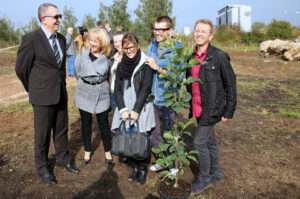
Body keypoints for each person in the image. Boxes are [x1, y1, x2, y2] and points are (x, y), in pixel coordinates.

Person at [15, 3, 80, 185]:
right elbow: (21, 69)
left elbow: (59, 67)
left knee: (61, 130)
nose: (60, 20)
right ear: (44, 19)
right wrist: (34, 88)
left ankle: (63, 159)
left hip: (60, 93)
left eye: (60, 16)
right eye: (56, 17)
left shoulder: (60, 39)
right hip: (42, 96)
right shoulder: (31, 39)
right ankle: (43, 167)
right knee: (42, 134)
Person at [186, 19, 237, 194]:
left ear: (210, 36)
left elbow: (230, 84)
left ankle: (204, 178)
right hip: (198, 108)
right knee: (210, 142)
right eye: (196, 30)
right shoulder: (190, 58)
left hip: (212, 108)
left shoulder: (219, 56)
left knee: (198, 142)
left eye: (203, 31)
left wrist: (229, 110)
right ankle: (216, 173)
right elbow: (189, 84)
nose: (199, 34)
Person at [111, 33, 155, 185]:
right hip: (125, 104)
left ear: (137, 45)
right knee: (129, 136)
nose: (128, 50)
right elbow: (116, 88)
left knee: (141, 137)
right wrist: (122, 109)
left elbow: (145, 88)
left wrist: (136, 110)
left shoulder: (146, 63)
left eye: (131, 47)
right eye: (125, 48)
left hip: (140, 105)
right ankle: (134, 168)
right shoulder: (121, 64)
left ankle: (142, 169)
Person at [145, 16, 183, 173]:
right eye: (155, 29)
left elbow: (178, 77)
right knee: (155, 132)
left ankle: (173, 165)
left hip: (168, 99)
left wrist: (157, 68)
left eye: (162, 29)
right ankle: (162, 160)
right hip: (152, 98)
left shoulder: (177, 49)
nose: (157, 32)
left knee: (169, 132)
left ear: (170, 30)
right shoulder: (152, 46)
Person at [74, 28, 112, 165]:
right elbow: (77, 71)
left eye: (96, 41)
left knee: (103, 124)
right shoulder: (82, 54)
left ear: (102, 43)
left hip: (101, 93)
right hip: (84, 92)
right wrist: (87, 82)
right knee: (86, 124)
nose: (92, 43)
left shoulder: (107, 58)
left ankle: (108, 152)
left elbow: (108, 75)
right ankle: (87, 151)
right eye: (91, 40)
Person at [109, 31, 124, 112]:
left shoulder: (131, 57)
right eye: (115, 42)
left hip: (124, 95)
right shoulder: (113, 57)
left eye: (120, 41)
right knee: (116, 121)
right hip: (113, 93)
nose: (118, 44)